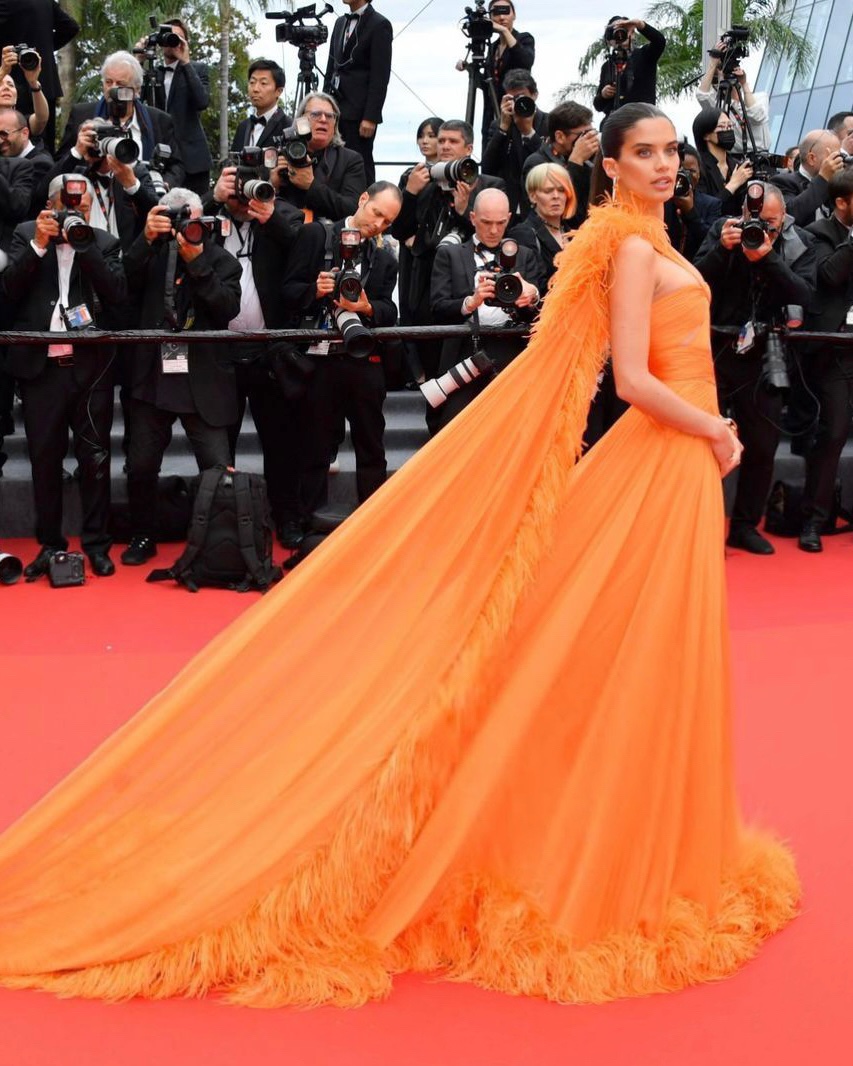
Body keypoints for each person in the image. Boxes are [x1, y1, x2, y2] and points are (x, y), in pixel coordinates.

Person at [0, 104, 799, 1007]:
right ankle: (583, 843)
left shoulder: (662, 244)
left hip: (680, 466)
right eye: (642, 154)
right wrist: (715, 428)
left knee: (647, 654)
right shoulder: (624, 251)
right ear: (605, 167)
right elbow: (629, 378)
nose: (661, 166)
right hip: (661, 459)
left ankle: (641, 832)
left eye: (668, 153)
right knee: (617, 645)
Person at [1, 174, 126, 580]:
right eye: (68, 203)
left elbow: (117, 295)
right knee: (44, 461)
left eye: (83, 203)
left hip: (91, 371)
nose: (76, 210)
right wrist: (39, 245)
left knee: (96, 460)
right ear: (51, 204)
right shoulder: (25, 235)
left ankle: (96, 544)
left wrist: (84, 244)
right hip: (41, 372)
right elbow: (6, 294)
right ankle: (50, 543)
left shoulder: (104, 242)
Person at [119, 190, 242, 567]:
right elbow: (121, 286)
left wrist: (199, 265)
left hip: (203, 380)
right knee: (140, 465)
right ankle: (143, 534)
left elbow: (226, 308)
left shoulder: (223, 261)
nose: (191, 228)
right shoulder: (150, 255)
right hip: (152, 377)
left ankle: (220, 540)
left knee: (217, 467)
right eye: (183, 221)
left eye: (198, 221)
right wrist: (146, 238)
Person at [694, 183, 816, 555]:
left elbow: (804, 296)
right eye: (756, 222)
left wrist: (768, 256)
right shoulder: (722, 230)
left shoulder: (797, 242)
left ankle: (745, 525)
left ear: (784, 220)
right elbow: (693, 282)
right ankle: (702, 526)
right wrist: (722, 249)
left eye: (772, 224)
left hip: (764, 352)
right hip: (712, 348)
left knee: (763, 446)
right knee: (704, 446)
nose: (762, 229)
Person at [280, 181, 401, 533]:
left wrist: (366, 307)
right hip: (318, 361)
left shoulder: (384, 258)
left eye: (387, 222)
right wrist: (313, 290)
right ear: (363, 198)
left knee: (371, 446)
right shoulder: (317, 235)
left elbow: (388, 310)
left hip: (364, 359)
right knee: (314, 447)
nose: (378, 225)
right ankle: (308, 529)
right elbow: (286, 291)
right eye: (377, 213)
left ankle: (372, 529)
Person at [428, 186, 543, 434]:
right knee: (454, 432)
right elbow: (437, 307)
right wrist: (471, 301)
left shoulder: (525, 256)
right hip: (465, 351)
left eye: (500, 223)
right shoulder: (449, 254)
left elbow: (541, 315)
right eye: (486, 222)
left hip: (513, 351)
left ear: (509, 219)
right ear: (472, 218)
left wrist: (531, 297)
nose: (493, 230)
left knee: (513, 432)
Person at [799, 169, 853, 553]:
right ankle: (815, 520)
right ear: (841, 202)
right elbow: (828, 277)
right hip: (835, 350)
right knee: (833, 432)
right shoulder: (818, 235)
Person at [57, 51, 185, 191]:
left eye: (120, 84)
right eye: (108, 82)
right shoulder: (81, 114)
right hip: (92, 199)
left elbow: (176, 166)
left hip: (142, 200)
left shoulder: (159, 120)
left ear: (136, 90)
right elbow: (62, 162)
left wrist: (162, 185)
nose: (113, 89)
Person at [323, 0, 392, 187]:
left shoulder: (380, 24)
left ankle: (368, 203)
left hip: (359, 111)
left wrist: (371, 116)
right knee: (333, 159)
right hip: (335, 108)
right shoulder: (339, 23)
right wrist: (323, 104)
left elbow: (380, 75)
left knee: (360, 162)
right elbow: (331, 67)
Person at [144, 17, 213, 196]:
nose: (172, 41)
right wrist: (138, 59)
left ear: (185, 43)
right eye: (168, 36)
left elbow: (202, 102)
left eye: (178, 38)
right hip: (163, 157)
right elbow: (133, 99)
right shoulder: (152, 74)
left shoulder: (197, 69)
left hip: (193, 160)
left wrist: (185, 62)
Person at [273, 92, 366, 223]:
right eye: (315, 114)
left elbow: (353, 210)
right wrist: (273, 186)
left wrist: (311, 185)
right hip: (284, 234)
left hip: (328, 239)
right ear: (301, 120)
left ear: (335, 124)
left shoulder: (350, 160)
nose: (323, 119)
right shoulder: (280, 154)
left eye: (330, 116)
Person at [0, 0, 79, 151]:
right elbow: (71, 27)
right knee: (45, 146)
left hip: (13, 85)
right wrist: (41, 52)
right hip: (45, 83)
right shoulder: (45, 2)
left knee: (12, 141)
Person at [457, 1, 534, 149]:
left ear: (514, 15)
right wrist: (470, 69)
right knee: (490, 153)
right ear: (490, 17)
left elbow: (525, 61)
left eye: (506, 11)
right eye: (496, 13)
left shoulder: (524, 39)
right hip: (492, 113)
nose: (502, 17)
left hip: (516, 110)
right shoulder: (492, 47)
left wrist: (505, 31)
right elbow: (487, 83)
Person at [480, 68, 548, 218]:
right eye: (512, 98)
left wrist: (529, 132)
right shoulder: (499, 125)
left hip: (540, 206)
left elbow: (550, 164)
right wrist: (503, 128)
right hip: (508, 207)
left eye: (522, 97)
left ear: (534, 95)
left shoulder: (549, 123)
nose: (518, 102)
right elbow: (487, 167)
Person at [522, 101, 598, 228]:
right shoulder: (537, 163)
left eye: (592, 133)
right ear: (560, 136)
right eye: (583, 135)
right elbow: (566, 215)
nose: (588, 140)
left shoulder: (588, 162)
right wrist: (575, 163)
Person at [510, 162, 576, 284]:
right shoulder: (523, 234)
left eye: (561, 190)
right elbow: (530, 286)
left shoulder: (574, 234)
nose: (556, 196)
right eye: (548, 191)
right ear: (533, 196)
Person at [593, 16, 665, 118]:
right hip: (613, 121)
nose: (620, 35)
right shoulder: (607, 66)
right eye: (615, 32)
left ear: (633, 34)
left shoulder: (645, 55)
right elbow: (598, 106)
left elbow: (659, 41)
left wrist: (639, 24)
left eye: (624, 30)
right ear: (609, 40)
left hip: (641, 118)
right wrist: (603, 95)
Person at [774, 128, 844, 227]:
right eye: (834, 156)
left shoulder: (835, 183)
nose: (839, 161)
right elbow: (790, 215)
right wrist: (823, 178)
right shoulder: (783, 181)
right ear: (811, 158)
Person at [692, 107, 754, 215]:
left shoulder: (737, 166)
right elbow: (704, 211)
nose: (727, 130)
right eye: (721, 127)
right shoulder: (698, 168)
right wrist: (733, 184)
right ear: (706, 135)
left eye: (730, 126)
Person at [231, 59, 290, 152]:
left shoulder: (288, 127)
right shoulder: (243, 127)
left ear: (279, 91)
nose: (255, 89)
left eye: (263, 83)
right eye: (252, 82)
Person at [0, 46, 48, 141]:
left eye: (11, 85)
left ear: (17, 96)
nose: (6, 87)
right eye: (0, 84)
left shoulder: (21, 122)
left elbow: (41, 119)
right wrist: (2, 72)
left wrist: (33, 83)